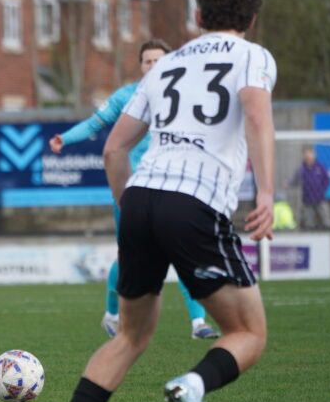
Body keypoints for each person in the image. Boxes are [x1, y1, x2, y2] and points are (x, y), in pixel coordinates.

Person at [43, 0, 276, 402]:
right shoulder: (253, 56)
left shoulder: (165, 66)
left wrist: (128, 210)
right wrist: (266, 193)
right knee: (249, 333)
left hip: (142, 197)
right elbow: (257, 116)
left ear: (197, 15)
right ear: (252, 18)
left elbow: (113, 149)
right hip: (194, 201)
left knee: (130, 335)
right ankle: (192, 386)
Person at [50, 40, 219, 341]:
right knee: (129, 257)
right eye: (147, 61)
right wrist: (66, 138)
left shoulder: (185, 95)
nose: (153, 66)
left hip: (172, 186)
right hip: (133, 191)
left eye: (158, 60)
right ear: (140, 66)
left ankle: (198, 323)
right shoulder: (127, 97)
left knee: (182, 249)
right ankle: (111, 314)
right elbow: (94, 124)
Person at [290, 146, 330, 229]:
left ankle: (329, 231)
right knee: (309, 220)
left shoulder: (320, 167)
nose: (308, 156)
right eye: (306, 154)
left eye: (310, 153)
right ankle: (310, 231)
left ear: (314, 155)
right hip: (307, 198)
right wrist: (289, 183)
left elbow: (327, 180)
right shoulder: (302, 169)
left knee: (325, 217)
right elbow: (296, 180)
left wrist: (321, 189)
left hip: (320, 197)